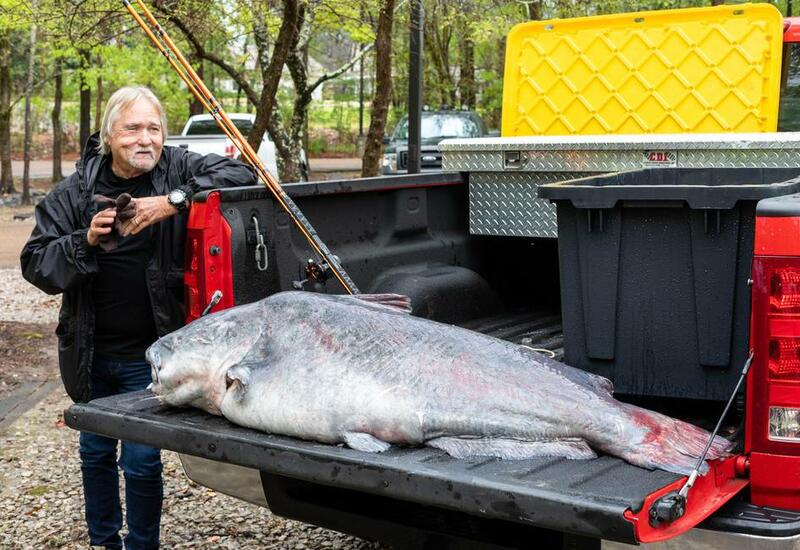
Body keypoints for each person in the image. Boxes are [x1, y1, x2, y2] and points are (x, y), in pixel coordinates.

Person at [20, 86, 256, 550]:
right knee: (95, 453)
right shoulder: (74, 192)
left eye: (154, 128)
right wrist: (83, 240)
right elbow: (35, 263)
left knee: (144, 460)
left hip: (151, 353)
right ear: (110, 136)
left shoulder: (178, 167)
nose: (145, 139)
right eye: (132, 128)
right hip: (91, 352)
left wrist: (174, 200)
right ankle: (104, 541)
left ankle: (143, 544)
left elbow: (243, 171)